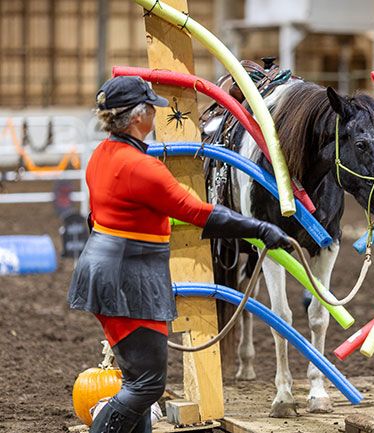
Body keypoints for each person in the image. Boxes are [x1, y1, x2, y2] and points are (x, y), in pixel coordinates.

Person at [68, 76, 291, 433]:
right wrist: (260, 228)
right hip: (129, 280)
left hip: (107, 272)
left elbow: (97, 215)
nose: (155, 115)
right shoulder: (143, 168)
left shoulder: (102, 156)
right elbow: (199, 213)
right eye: (151, 109)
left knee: (137, 380)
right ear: (139, 117)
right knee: (147, 385)